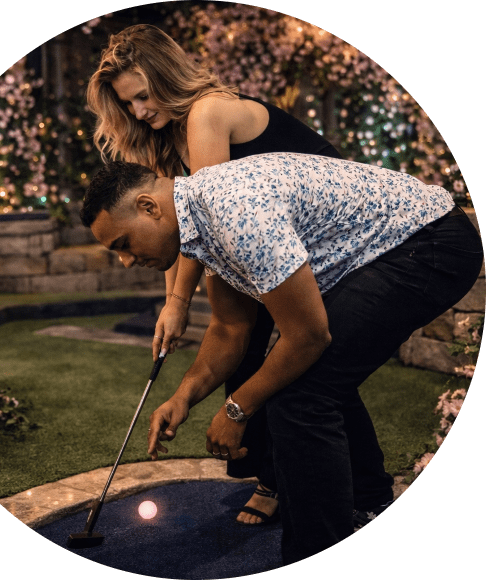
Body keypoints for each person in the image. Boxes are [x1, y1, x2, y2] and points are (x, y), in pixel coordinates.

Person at [79, 152, 483, 564]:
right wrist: (183, 396)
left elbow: (308, 337)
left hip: (428, 241)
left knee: (299, 397)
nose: (127, 260)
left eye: (124, 244)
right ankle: (366, 506)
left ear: (149, 207)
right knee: (302, 386)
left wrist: (236, 409)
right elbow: (231, 328)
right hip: (395, 249)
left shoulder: (233, 209)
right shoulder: (202, 218)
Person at [87, 23, 342, 524]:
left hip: (322, 239)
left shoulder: (208, 112)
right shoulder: (165, 137)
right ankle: (272, 475)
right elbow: (175, 228)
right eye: (128, 104)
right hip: (266, 245)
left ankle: (331, 487)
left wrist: (181, 303)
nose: (138, 111)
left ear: (167, 75)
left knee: (302, 365)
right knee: (243, 350)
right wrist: (170, 303)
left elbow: (206, 218)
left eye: (143, 96)